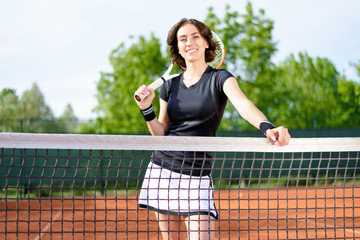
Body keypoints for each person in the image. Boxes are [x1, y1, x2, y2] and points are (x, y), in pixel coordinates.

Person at [134, 18, 291, 240]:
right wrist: (145, 108)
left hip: (197, 174)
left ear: (207, 42)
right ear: (178, 48)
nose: (189, 42)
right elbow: (161, 133)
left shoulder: (221, 78)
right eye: (183, 39)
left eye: (195, 36)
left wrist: (268, 127)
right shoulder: (169, 85)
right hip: (163, 171)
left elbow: (243, 105)